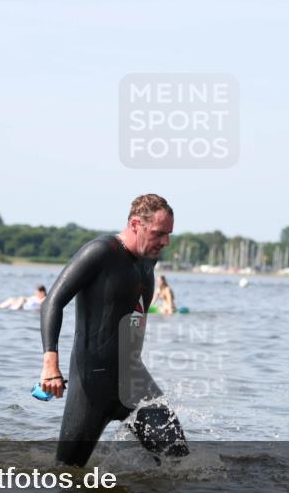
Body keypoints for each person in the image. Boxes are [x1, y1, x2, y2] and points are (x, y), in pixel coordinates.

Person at [39, 194, 189, 467]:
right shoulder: (100, 252)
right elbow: (53, 302)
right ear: (135, 224)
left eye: (169, 234)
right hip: (92, 384)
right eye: (159, 233)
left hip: (133, 379)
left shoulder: (148, 259)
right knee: (67, 472)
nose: (166, 242)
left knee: (178, 460)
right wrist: (51, 366)